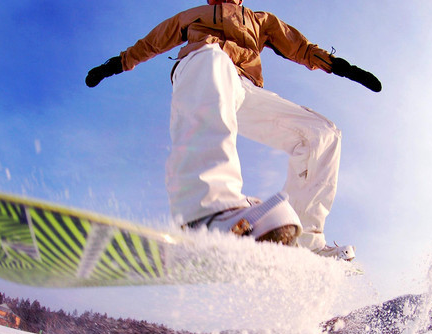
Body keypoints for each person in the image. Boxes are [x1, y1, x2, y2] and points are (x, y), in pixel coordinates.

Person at [86, 0, 381, 260]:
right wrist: (114, 65)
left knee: (323, 134)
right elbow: (151, 43)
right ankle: (207, 212)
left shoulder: (260, 20)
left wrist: (341, 66)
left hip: (244, 88)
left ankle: (305, 243)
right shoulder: (193, 15)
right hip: (201, 71)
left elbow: (299, 47)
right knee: (213, 57)